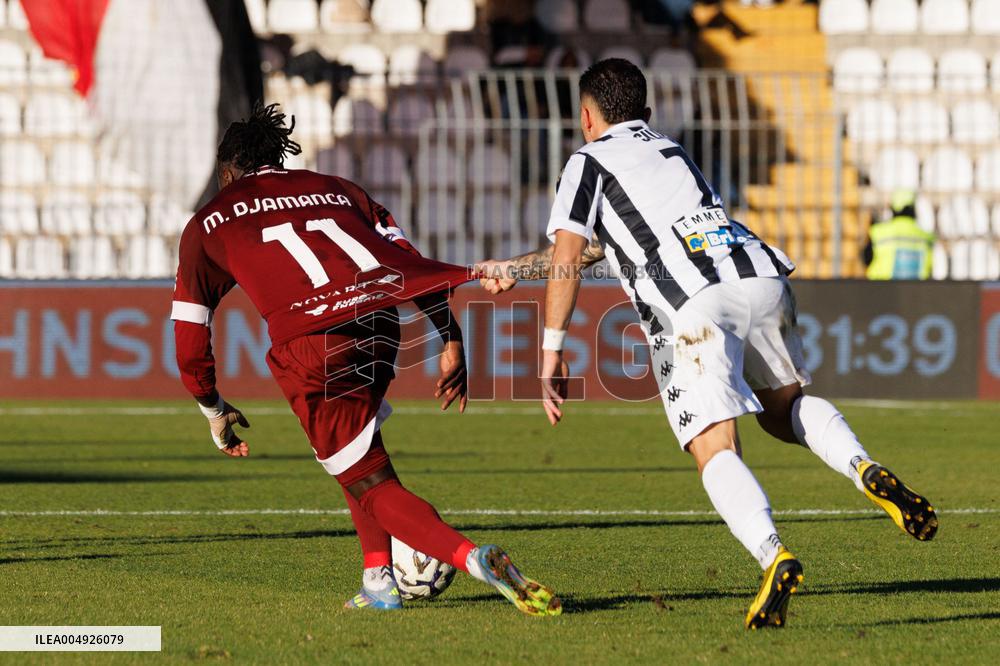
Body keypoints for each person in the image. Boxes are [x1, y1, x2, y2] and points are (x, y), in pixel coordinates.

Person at [476, 60, 937, 629]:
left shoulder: (586, 160)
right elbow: (606, 246)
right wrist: (517, 268)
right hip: (758, 275)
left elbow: (572, 254)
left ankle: (774, 555)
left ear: (587, 118)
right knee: (784, 410)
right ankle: (862, 465)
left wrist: (551, 351)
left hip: (691, 304)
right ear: (645, 112)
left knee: (713, 444)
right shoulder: (671, 151)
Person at [171, 103, 561, 616]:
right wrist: (448, 334)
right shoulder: (338, 189)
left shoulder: (208, 222)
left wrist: (212, 408)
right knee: (361, 454)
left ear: (227, 173)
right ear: (278, 159)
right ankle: (378, 580)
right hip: (379, 326)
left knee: (372, 485)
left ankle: (471, 557)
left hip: (313, 343)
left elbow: (189, 335)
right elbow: (407, 263)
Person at [863, 189, 935, 280]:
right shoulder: (926, 237)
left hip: (880, 286)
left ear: (893, 209)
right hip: (916, 288)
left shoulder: (878, 233)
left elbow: (866, 259)